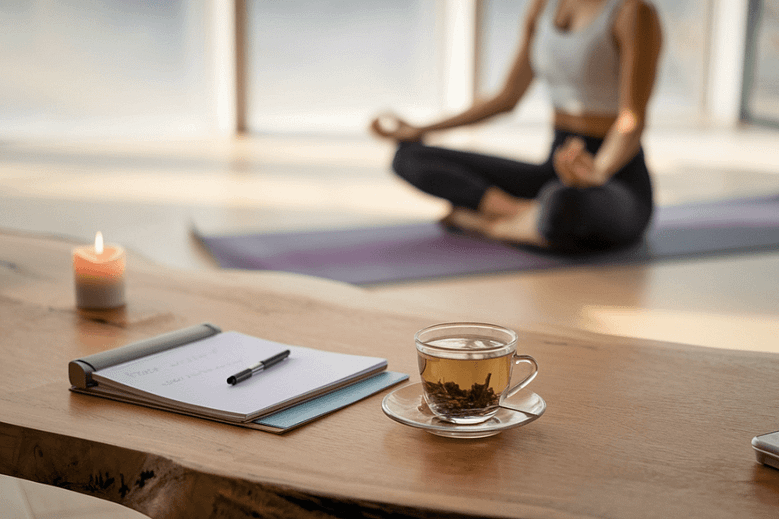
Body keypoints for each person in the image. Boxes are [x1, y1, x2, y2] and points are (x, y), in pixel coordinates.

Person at [370, 0, 662, 252]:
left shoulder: (632, 12)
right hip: (556, 169)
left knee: (563, 205)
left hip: (614, 178)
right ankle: (517, 213)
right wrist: (421, 130)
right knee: (409, 157)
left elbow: (631, 121)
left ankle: (487, 225)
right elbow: (506, 97)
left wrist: (596, 172)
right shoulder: (542, 8)